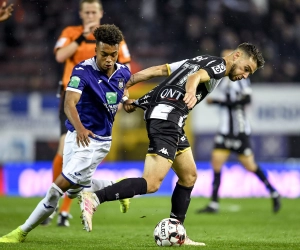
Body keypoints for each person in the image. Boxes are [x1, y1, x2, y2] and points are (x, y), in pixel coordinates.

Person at [77, 43, 265, 246]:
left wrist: (126, 88)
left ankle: (178, 232)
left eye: (249, 73)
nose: (245, 75)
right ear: (237, 55)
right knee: (152, 183)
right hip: (167, 119)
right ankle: (95, 198)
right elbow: (195, 78)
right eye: (246, 69)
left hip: (167, 117)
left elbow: (158, 71)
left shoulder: (199, 60)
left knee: (189, 176)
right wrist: (191, 92)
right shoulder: (219, 65)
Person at [0, 24, 131, 243]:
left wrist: (126, 101)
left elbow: (123, 87)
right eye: (104, 55)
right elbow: (69, 104)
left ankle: (21, 232)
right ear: (95, 51)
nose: (109, 59)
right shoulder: (82, 71)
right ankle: (118, 186)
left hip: (96, 142)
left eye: (113, 55)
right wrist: (79, 128)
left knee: (56, 190)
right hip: (76, 135)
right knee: (76, 190)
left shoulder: (123, 72)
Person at [46, 0, 131, 227]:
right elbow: (60, 56)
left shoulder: (113, 41)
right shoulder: (71, 33)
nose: (91, 14)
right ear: (81, 14)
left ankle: (60, 209)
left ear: (101, 13)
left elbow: (125, 73)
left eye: (95, 11)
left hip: (100, 103)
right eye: (87, 12)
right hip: (72, 100)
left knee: (77, 157)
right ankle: (58, 206)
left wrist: (120, 100)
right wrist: (84, 36)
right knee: (64, 151)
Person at [196, 50, 281, 214]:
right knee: (216, 163)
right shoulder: (223, 79)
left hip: (239, 130)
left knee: (250, 165)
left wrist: (220, 102)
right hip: (225, 130)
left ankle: (274, 192)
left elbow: (247, 99)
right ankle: (214, 203)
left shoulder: (240, 79)